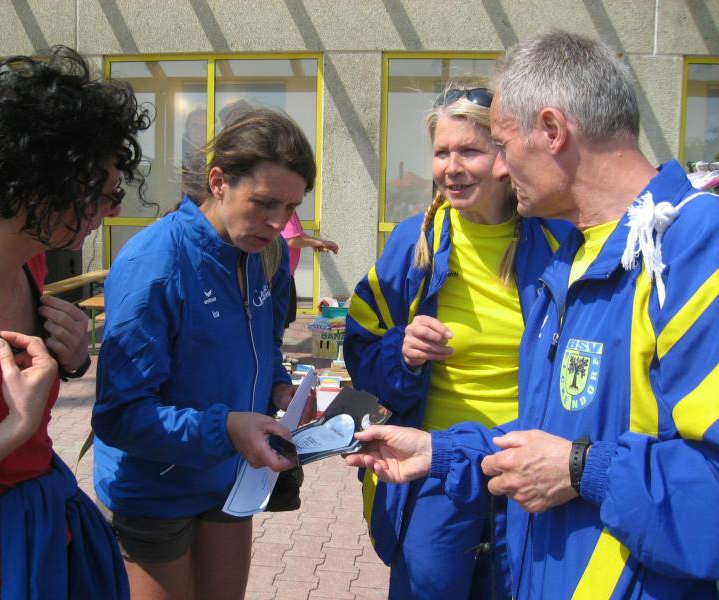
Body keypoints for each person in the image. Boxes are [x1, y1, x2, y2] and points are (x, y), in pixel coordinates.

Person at [346, 30, 719, 599]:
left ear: (551, 130)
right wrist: (440, 452)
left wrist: (581, 470)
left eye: (498, 143)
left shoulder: (694, 250)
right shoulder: (573, 258)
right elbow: (547, 440)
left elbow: (589, 462)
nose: (498, 165)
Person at [0, 46, 149, 598]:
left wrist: (71, 358)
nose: (114, 210)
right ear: (39, 186)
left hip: (43, 541)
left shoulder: (30, 263)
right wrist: (16, 427)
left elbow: (19, 375)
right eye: (103, 194)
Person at [343, 77, 568, 599]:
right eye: (442, 152)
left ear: (505, 157)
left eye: (470, 151)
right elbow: (361, 346)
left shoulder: (557, 240)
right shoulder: (414, 243)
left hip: (526, 469)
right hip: (434, 470)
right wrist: (402, 353)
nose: (452, 167)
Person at [92, 108, 317, 600]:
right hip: (155, 489)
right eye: (264, 202)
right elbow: (119, 415)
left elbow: (264, 342)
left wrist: (280, 388)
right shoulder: (155, 262)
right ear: (218, 182)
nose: (278, 223)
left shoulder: (262, 253)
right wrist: (226, 428)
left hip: (230, 475)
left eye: (291, 207)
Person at [281, 213, 338, 326]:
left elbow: (299, 235)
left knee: (285, 320)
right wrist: (317, 242)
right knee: (281, 321)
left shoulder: (291, 211)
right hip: (280, 274)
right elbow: (291, 240)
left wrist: (319, 242)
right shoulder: (285, 209)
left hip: (287, 273)